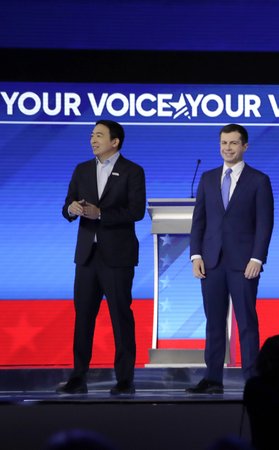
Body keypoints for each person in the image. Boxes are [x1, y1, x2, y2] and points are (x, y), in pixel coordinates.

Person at [58, 120, 146, 396]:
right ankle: (78, 377)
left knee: (120, 317)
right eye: (91, 135)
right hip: (87, 256)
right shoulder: (82, 169)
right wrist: (71, 209)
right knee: (83, 316)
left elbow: (136, 211)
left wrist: (102, 215)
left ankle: (124, 379)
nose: (93, 139)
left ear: (115, 141)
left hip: (117, 256)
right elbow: (67, 206)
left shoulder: (132, 171)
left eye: (99, 135)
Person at [187, 124, 274, 394]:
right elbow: (198, 220)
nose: (228, 148)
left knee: (246, 321)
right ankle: (212, 378)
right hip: (211, 262)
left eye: (233, 143)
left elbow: (264, 223)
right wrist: (195, 255)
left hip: (243, 263)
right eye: (224, 143)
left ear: (245, 146)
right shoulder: (207, 178)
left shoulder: (259, 180)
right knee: (214, 322)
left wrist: (257, 258)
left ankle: (253, 380)